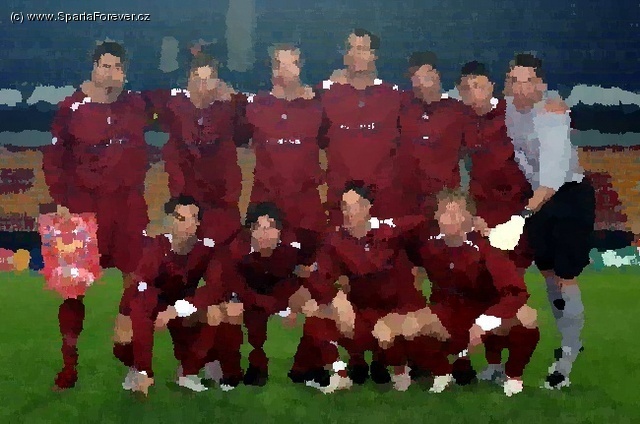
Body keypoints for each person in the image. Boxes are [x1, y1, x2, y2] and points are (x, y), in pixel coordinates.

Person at [42, 41, 150, 390]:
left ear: (125, 73)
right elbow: (53, 159)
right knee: (72, 292)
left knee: (138, 278)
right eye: (106, 66)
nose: (112, 73)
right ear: (94, 67)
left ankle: (126, 344)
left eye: (118, 67)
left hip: (128, 209)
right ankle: (69, 364)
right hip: (82, 210)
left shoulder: (136, 105)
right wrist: (60, 200)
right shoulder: (71, 107)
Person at [504, 53, 595, 389]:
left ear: (540, 85)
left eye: (528, 81)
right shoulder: (508, 109)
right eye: (514, 81)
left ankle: (568, 351)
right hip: (537, 198)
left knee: (565, 277)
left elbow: (553, 179)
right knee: (548, 274)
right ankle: (568, 333)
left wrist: (522, 216)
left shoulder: (552, 115)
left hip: (567, 196)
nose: (521, 88)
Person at [406, 189, 541, 396]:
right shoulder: (430, 247)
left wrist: (485, 322)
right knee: (410, 324)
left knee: (527, 317)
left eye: (458, 213)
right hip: (450, 314)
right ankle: (442, 373)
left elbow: (516, 292)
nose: (452, 219)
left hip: (487, 313)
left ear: (470, 218)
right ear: (437, 217)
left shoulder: (487, 246)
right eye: (446, 213)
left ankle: (513, 377)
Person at [298, 181, 430, 391]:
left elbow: (425, 223)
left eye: (355, 205)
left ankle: (401, 368)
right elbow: (321, 277)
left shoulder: (390, 232)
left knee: (411, 330)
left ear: (368, 206)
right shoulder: (336, 240)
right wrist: (334, 298)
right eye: (345, 206)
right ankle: (341, 374)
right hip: (361, 315)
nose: (349, 212)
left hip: (395, 314)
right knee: (317, 319)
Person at [112, 196, 225, 395]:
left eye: (192, 219)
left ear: (198, 223)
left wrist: (177, 309)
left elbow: (214, 287)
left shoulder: (206, 249)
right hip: (152, 303)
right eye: (180, 218)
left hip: (183, 305)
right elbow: (140, 285)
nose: (186, 225)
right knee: (125, 337)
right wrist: (124, 313)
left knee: (214, 312)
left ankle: (188, 372)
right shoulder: (157, 246)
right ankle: (140, 370)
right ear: (170, 220)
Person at [144, 52, 248, 244]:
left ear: (217, 82)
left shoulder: (228, 108)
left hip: (220, 197)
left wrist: (234, 99)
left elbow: (245, 133)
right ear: (189, 81)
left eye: (208, 80)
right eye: (198, 79)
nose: (202, 87)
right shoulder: (174, 106)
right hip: (185, 196)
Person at [245, 44, 326, 267]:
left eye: (292, 64)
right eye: (280, 64)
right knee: (264, 267)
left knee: (310, 266)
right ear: (272, 69)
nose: (285, 70)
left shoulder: (317, 106)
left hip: (305, 205)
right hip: (267, 204)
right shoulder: (255, 106)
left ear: (301, 67)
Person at [217, 202, 313, 386]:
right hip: (247, 300)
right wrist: (266, 303)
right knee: (230, 311)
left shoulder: (290, 254)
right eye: (259, 228)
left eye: (270, 228)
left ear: (279, 231)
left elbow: (303, 278)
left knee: (311, 303)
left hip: (277, 300)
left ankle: (305, 367)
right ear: (250, 231)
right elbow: (236, 287)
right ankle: (232, 371)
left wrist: (293, 304)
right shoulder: (237, 255)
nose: (265, 234)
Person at [320, 29, 404, 224]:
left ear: (374, 55)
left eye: (362, 49)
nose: (356, 54)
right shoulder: (326, 96)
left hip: (383, 199)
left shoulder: (393, 96)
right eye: (351, 48)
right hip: (341, 200)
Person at [396, 51, 470, 221]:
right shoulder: (402, 104)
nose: (419, 82)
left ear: (436, 75)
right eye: (414, 77)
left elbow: (469, 151)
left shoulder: (457, 111)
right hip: (407, 199)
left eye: (424, 75)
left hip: (445, 199)